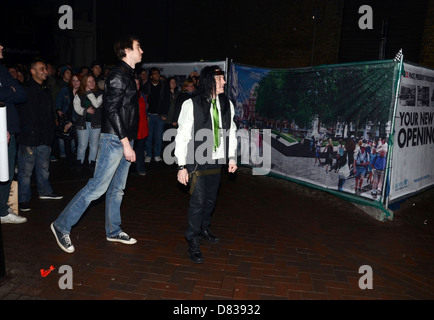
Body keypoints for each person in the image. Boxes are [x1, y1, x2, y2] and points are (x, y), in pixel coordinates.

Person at [51, 35, 143, 254]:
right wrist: (125, 143)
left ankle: (113, 230)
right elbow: (111, 110)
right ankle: (61, 225)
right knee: (97, 187)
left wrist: (130, 141)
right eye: (138, 47)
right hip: (115, 140)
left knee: (117, 189)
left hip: (123, 140)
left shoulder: (128, 75)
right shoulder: (118, 75)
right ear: (126, 50)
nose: (142, 51)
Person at [175, 65, 238, 264]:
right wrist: (181, 166)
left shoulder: (227, 103)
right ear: (210, 80)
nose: (225, 83)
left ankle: (204, 227)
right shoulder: (191, 104)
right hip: (196, 161)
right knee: (198, 200)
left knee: (211, 199)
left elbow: (232, 131)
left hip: (217, 159)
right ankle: (192, 238)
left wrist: (232, 157)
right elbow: (182, 137)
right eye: (221, 79)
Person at [16, 59, 64, 212]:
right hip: (29, 138)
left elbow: (49, 114)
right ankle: (23, 199)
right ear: (33, 71)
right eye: (42, 69)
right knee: (25, 172)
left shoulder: (45, 90)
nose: (45, 71)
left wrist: (50, 133)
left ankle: (45, 191)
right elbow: (21, 114)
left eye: (45, 68)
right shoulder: (24, 90)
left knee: (44, 169)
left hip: (44, 138)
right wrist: (27, 131)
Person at [0, 42, 27, 224]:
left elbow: (22, 94)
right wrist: (10, 91)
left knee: (7, 171)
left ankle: (2, 207)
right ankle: (2, 212)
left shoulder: (1, 69)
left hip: (8, 129)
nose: (2, 47)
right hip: (2, 130)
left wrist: (6, 91)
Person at [73, 74, 103, 173]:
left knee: (94, 145)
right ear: (85, 83)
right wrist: (86, 111)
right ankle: (79, 164)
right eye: (89, 81)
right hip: (82, 123)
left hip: (96, 123)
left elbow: (96, 104)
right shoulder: (79, 94)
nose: (92, 83)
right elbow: (77, 108)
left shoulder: (100, 93)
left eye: (93, 81)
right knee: (82, 145)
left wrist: (89, 92)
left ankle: (92, 163)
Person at [143, 67, 170, 163]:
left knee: (158, 137)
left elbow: (167, 101)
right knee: (149, 137)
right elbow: (143, 100)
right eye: (154, 74)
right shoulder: (147, 86)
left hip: (159, 116)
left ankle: (157, 154)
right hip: (149, 115)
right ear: (151, 76)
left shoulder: (164, 86)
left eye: (158, 73)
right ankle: (149, 155)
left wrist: (165, 114)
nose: (157, 75)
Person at [55, 73, 81, 169]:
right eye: (73, 80)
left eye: (77, 80)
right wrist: (58, 110)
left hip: (77, 121)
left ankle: (77, 161)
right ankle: (69, 163)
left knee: (78, 143)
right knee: (66, 140)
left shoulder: (83, 92)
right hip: (66, 119)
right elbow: (58, 100)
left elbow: (81, 110)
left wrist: (72, 122)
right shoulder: (65, 90)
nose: (75, 83)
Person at [134, 78, 149, 176]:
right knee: (134, 149)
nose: (137, 85)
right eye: (135, 84)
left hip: (143, 126)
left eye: (138, 83)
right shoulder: (127, 96)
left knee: (140, 149)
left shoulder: (142, 95)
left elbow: (145, 110)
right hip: (133, 127)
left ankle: (140, 168)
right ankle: (136, 168)